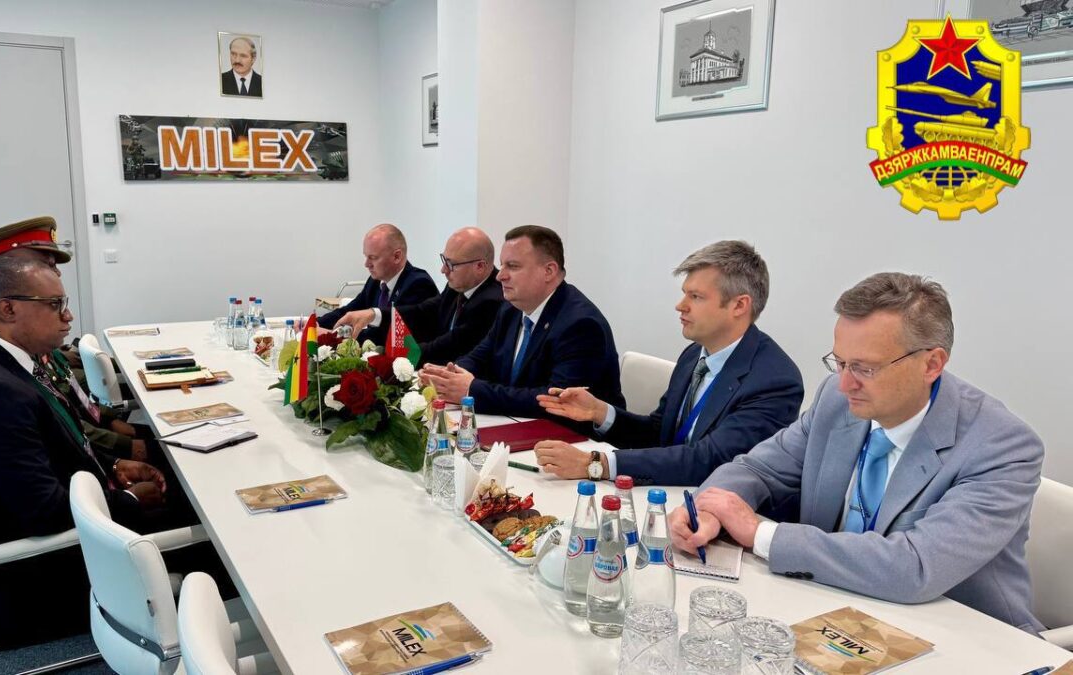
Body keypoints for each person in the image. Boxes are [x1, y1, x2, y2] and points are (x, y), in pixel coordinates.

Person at [669, 273, 1045, 633]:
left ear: (932, 364)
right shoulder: (837, 400)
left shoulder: (1003, 447)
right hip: (832, 609)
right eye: (840, 362)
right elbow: (757, 469)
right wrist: (709, 509)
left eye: (865, 368)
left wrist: (762, 534)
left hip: (967, 639)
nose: (845, 383)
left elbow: (915, 567)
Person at [0, 257, 186, 645]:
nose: (68, 316)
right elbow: (45, 513)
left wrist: (113, 464)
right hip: (43, 575)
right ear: (8, 309)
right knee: (213, 512)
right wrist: (128, 500)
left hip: (64, 510)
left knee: (184, 476)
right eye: (55, 305)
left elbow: (51, 445)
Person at [534, 241, 803, 485]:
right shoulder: (694, 354)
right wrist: (601, 412)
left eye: (696, 297)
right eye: (685, 294)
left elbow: (711, 460)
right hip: (670, 491)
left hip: (718, 509)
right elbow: (659, 434)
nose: (680, 305)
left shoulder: (774, 380)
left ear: (739, 306)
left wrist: (597, 464)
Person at [0, 216, 148, 462]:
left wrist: (108, 421)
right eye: (45, 264)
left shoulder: (7, 315)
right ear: (11, 268)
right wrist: (120, 453)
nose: (56, 272)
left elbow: (60, 385)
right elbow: (50, 417)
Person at [423, 225, 624, 418]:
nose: (500, 276)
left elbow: (555, 402)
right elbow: (480, 357)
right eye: (502, 265)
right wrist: (448, 376)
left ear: (549, 271)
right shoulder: (510, 308)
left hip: (573, 436)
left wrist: (471, 389)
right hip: (518, 423)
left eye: (512, 266)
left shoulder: (580, 325)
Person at [334, 227, 504, 365]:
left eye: (451, 264)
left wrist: (393, 359)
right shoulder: (458, 285)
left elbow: (449, 345)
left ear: (480, 266)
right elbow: (422, 312)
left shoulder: (491, 301)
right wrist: (374, 314)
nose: (443, 270)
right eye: (444, 260)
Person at [318, 223, 439, 345]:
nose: (366, 264)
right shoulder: (375, 281)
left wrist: (331, 335)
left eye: (373, 257)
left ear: (397, 256)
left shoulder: (419, 284)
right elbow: (349, 311)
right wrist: (316, 324)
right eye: (366, 257)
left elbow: (384, 336)